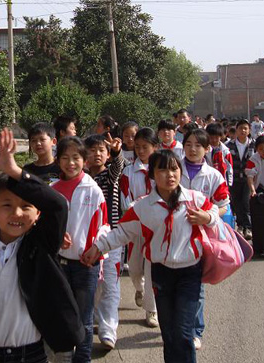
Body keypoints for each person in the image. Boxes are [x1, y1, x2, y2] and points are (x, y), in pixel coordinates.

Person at [0, 129, 84, 363]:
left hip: (29, 354)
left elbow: (58, 205)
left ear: (38, 212)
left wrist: (14, 171)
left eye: (26, 206)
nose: (17, 213)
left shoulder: (40, 246)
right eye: (7, 205)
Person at [82, 150, 219, 363]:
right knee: (169, 334)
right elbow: (122, 232)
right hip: (161, 273)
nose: (170, 174)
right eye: (162, 169)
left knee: (183, 333)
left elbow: (216, 218)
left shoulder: (194, 199)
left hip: (189, 273)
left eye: (174, 169)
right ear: (153, 175)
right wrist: (98, 248)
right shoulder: (143, 207)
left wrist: (207, 217)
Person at [51, 137, 108, 363]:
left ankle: (82, 358)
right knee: (63, 312)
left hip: (86, 265)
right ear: (58, 161)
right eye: (65, 158)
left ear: (84, 161)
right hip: (60, 263)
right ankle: (65, 354)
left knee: (84, 316)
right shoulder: (52, 190)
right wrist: (56, 237)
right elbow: (43, 223)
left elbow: (104, 225)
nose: (70, 163)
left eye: (76, 158)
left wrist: (96, 248)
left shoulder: (92, 190)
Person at [181, 128, 231, 351]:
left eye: (198, 146)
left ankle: (194, 330)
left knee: (196, 286)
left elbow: (223, 206)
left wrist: (207, 216)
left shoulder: (214, 176)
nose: (192, 149)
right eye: (188, 144)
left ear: (206, 149)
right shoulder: (172, 169)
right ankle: (176, 328)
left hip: (201, 238)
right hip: (172, 236)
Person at [84, 134, 126, 350]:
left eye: (101, 150)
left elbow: (118, 166)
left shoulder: (111, 177)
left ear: (107, 155)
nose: (97, 154)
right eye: (92, 150)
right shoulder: (81, 179)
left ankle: (108, 329)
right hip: (86, 238)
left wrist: (117, 153)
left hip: (112, 237)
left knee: (110, 282)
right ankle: (90, 319)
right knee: (89, 283)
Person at [119, 128, 159, 328]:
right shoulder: (127, 172)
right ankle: (139, 288)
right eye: (138, 147)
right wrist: (144, 205)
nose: (141, 151)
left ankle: (152, 310)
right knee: (134, 268)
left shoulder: (161, 170)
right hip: (136, 226)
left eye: (145, 147)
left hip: (157, 228)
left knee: (152, 268)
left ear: (155, 147)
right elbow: (125, 202)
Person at [226, 119, 256, 240]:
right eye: (240, 128)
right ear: (236, 130)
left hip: (249, 180)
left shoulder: (254, 144)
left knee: (246, 202)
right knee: (236, 203)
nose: (243, 131)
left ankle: (248, 227)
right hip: (234, 179)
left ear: (249, 130)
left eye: (245, 128)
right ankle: (240, 225)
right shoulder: (229, 145)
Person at [206, 123, 235, 228]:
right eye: (211, 137)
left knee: (223, 207)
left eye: (216, 137)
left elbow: (230, 168)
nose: (214, 140)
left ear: (221, 137)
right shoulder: (205, 150)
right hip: (208, 182)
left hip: (222, 183)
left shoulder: (225, 151)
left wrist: (229, 184)